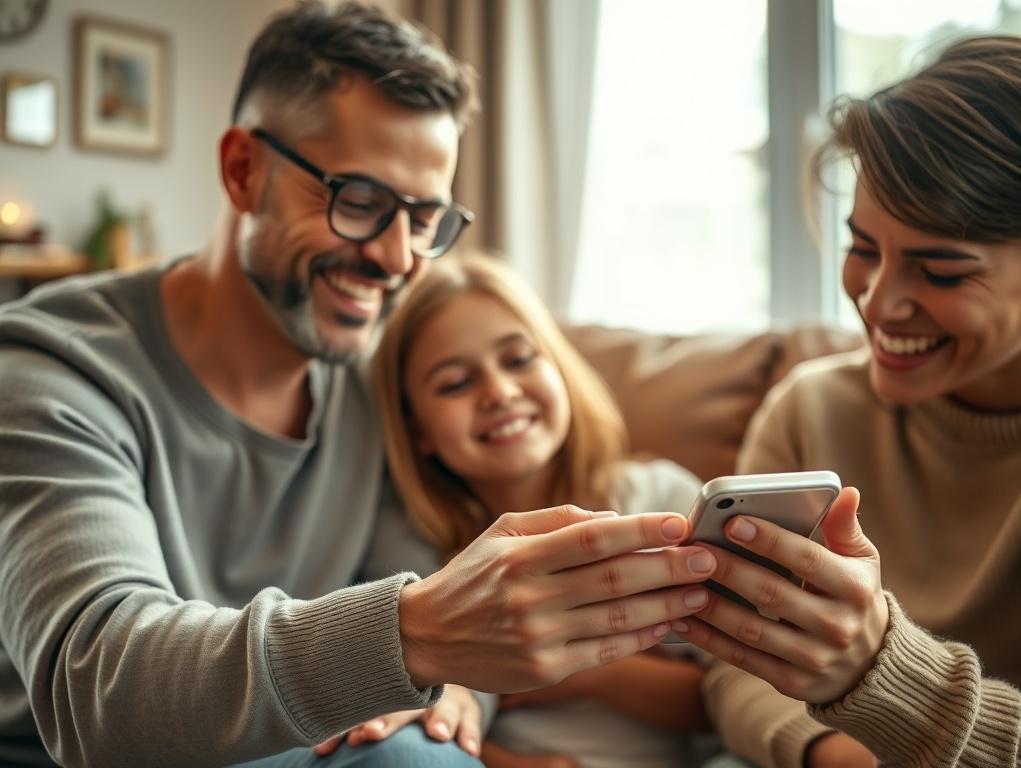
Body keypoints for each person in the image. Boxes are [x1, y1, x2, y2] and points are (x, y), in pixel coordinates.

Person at [0, 3, 717, 766]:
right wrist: (415, 635)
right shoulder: (52, 373)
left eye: (423, 219)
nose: (398, 258)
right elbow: (98, 692)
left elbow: (443, 601)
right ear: (243, 171)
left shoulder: (381, 385)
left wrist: (462, 688)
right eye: (362, 203)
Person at [666, 35, 1021, 767]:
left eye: (940, 272)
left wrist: (881, 673)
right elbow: (734, 665)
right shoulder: (811, 410)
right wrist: (835, 755)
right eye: (863, 248)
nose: (878, 302)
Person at [327, 253, 717, 768]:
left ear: (560, 369)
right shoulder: (410, 539)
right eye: (455, 383)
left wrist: (581, 670)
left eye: (517, 360)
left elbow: (723, 700)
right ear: (417, 429)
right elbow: (434, 705)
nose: (499, 392)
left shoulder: (659, 500)